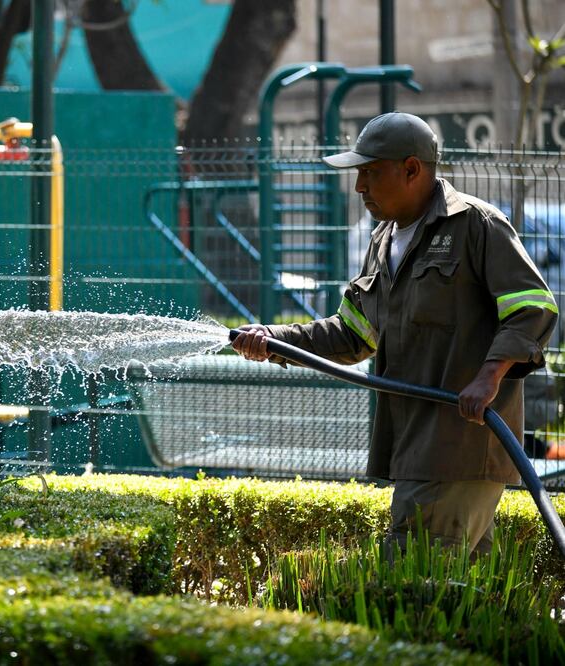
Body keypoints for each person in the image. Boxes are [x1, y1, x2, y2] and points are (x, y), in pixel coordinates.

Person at [231, 112, 558, 554]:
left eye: (370, 172)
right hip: (416, 447)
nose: (360, 186)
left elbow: (533, 307)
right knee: (460, 599)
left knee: (412, 578)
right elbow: (351, 335)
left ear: (411, 169)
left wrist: (489, 377)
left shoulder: (476, 225)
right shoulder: (383, 240)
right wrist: (273, 340)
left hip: (457, 446)